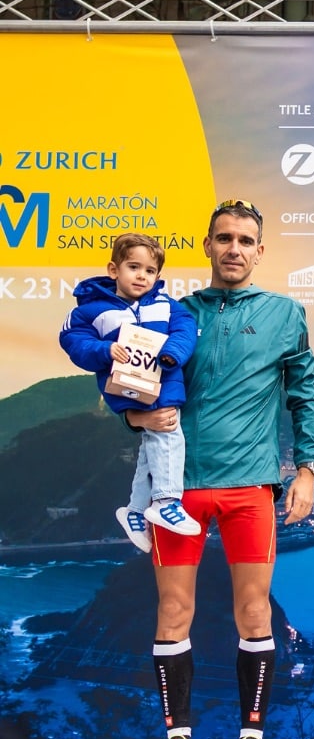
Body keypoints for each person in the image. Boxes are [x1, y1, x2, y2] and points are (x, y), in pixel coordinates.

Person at [126, 199, 314, 739]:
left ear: (260, 251)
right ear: (206, 246)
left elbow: (304, 394)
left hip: (251, 486)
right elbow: (134, 385)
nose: (234, 248)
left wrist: (307, 469)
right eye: (224, 238)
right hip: (177, 488)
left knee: (254, 611)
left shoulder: (287, 313)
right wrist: (133, 420)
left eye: (245, 240)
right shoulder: (173, 312)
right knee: (172, 610)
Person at [59, 233, 201, 551]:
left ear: (158, 276)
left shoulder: (167, 306)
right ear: (114, 269)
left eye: (150, 271)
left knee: (154, 443)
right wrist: (104, 349)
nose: (141, 275)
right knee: (168, 434)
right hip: (126, 386)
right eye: (133, 266)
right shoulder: (89, 311)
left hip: (163, 381)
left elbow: (185, 330)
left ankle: (135, 510)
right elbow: (73, 340)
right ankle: (166, 502)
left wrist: (172, 354)